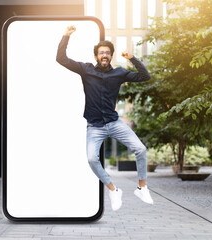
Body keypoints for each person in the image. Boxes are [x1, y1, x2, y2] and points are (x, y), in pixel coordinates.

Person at [56, 26, 153, 211]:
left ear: (111, 56)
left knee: (140, 149)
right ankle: (113, 189)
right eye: (101, 53)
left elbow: (144, 76)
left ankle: (142, 187)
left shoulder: (119, 73)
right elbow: (61, 59)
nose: (104, 55)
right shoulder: (85, 70)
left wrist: (132, 58)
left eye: (107, 53)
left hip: (114, 123)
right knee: (92, 159)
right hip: (95, 127)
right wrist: (66, 35)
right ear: (96, 56)